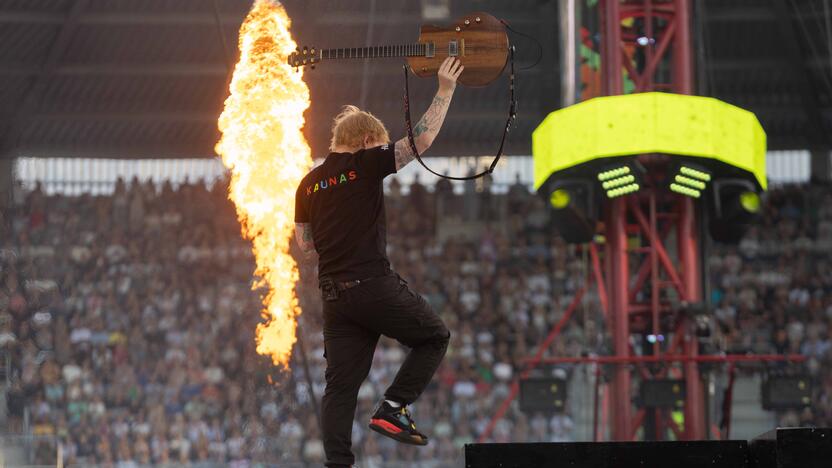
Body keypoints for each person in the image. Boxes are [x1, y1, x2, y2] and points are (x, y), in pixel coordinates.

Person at [293, 57, 463, 468]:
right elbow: (419, 143)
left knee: (340, 388)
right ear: (368, 139)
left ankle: (338, 464)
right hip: (369, 284)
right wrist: (445, 89)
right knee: (435, 336)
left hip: (335, 297)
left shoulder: (308, 183)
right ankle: (392, 407)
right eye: (377, 143)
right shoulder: (364, 163)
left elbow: (305, 244)